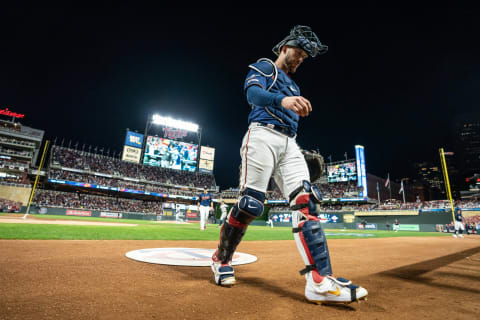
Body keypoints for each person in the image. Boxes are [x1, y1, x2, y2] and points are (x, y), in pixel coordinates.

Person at [210, 25, 367, 304]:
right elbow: (253, 95)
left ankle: (319, 281)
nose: (300, 59)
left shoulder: (294, 85)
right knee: (251, 205)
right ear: (284, 48)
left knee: (307, 202)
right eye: (298, 53)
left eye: (304, 57)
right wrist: (282, 99)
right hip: (261, 134)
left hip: (289, 143)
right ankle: (221, 259)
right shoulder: (266, 67)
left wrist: (291, 141)